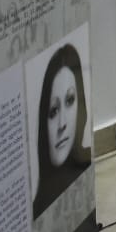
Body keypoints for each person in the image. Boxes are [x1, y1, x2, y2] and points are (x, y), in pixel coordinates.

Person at [33, 43, 91, 218]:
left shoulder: (87, 170)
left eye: (70, 100)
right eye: (53, 111)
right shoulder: (38, 211)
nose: (62, 124)